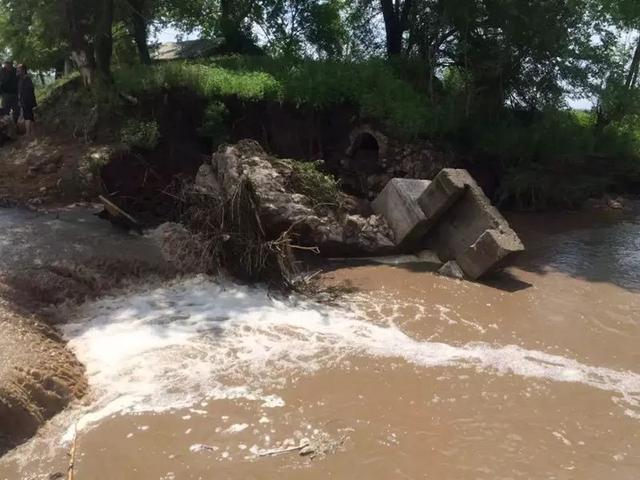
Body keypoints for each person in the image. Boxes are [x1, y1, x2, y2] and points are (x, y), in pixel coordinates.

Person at [17, 64, 37, 136]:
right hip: (24, 101)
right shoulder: (21, 79)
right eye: (17, 69)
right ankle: (32, 132)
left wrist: (24, 101)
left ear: (23, 70)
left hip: (27, 101)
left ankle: (28, 133)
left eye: (19, 69)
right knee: (30, 116)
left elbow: (29, 91)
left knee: (27, 116)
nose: (18, 71)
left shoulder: (27, 79)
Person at [0, 60, 19, 124]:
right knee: (5, 111)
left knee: (16, 110)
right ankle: (6, 125)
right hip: (5, 94)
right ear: (4, 65)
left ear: (11, 64)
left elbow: (18, 80)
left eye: (9, 64)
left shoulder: (15, 70)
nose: (7, 65)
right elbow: (2, 82)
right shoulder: (2, 71)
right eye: (6, 64)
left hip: (15, 94)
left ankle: (15, 123)